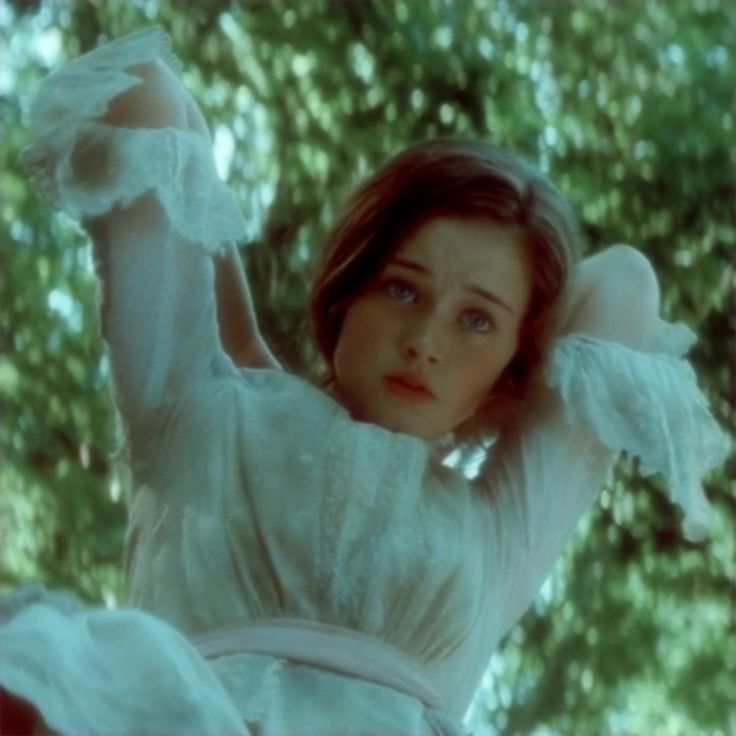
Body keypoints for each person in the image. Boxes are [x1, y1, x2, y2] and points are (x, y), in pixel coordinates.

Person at [0, 27, 728, 736]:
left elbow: (623, 284)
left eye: (477, 321)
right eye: (404, 291)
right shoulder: (204, 415)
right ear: (348, 290)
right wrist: (247, 347)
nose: (424, 343)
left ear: (517, 360)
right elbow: (139, 89)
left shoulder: (500, 530)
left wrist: (515, 377)